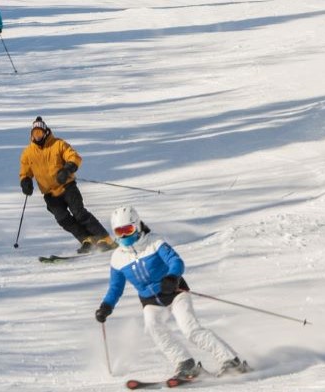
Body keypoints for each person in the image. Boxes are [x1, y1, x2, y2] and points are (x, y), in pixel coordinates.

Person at [94, 205, 250, 383]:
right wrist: (106, 306)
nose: (124, 236)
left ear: (136, 226)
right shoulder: (118, 258)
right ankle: (185, 363)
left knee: (190, 329)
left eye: (128, 230)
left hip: (175, 292)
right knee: (153, 328)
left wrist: (172, 277)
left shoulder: (155, 242)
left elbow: (176, 261)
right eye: (119, 232)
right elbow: (115, 287)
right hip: (150, 301)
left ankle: (231, 360)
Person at [19, 116, 118, 254]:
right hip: (49, 193)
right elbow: (25, 172)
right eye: (34, 133)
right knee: (62, 219)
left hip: (67, 187)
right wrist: (25, 182)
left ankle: (105, 239)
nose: (37, 136)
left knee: (79, 214)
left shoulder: (58, 144)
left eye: (40, 132)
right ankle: (86, 239)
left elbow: (74, 157)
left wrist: (67, 169)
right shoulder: (28, 153)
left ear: (46, 132)